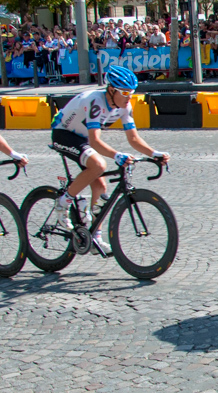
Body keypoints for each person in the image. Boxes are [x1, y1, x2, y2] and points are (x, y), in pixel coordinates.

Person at [49, 65, 170, 253]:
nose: (129, 97)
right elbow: (96, 141)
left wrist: (154, 153)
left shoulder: (125, 106)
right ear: (112, 90)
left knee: (100, 187)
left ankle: (95, 238)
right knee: (98, 164)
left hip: (82, 139)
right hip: (63, 134)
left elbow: (134, 139)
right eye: (124, 93)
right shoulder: (96, 102)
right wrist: (117, 155)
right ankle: (63, 202)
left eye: (131, 93)